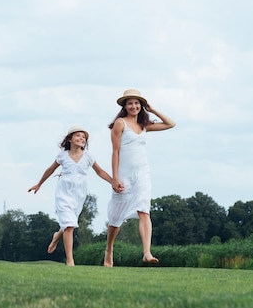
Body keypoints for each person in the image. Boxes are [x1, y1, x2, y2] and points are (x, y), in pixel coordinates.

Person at [103, 89, 175, 267]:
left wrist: (153, 109)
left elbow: (170, 124)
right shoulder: (120, 124)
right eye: (130, 103)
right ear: (125, 106)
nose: (134, 106)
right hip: (124, 176)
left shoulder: (144, 125)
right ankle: (109, 250)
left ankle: (146, 252)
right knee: (115, 219)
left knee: (144, 210)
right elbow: (115, 152)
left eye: (137, 103)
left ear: (141, 105)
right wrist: (114, 178)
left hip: (142, 174)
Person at [28, 125, 119, 266]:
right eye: (78, 136)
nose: (81, 138)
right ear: (70, 139)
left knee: (69, 223)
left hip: (79, 195)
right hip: (63, 193)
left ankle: (57, 236)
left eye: (84, 137)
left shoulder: (88, 156)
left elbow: (100, 172)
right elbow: (50, 170)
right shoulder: (62, 155)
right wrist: (39, 184)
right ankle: (70, 261)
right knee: (69, 226)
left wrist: (113, 181)